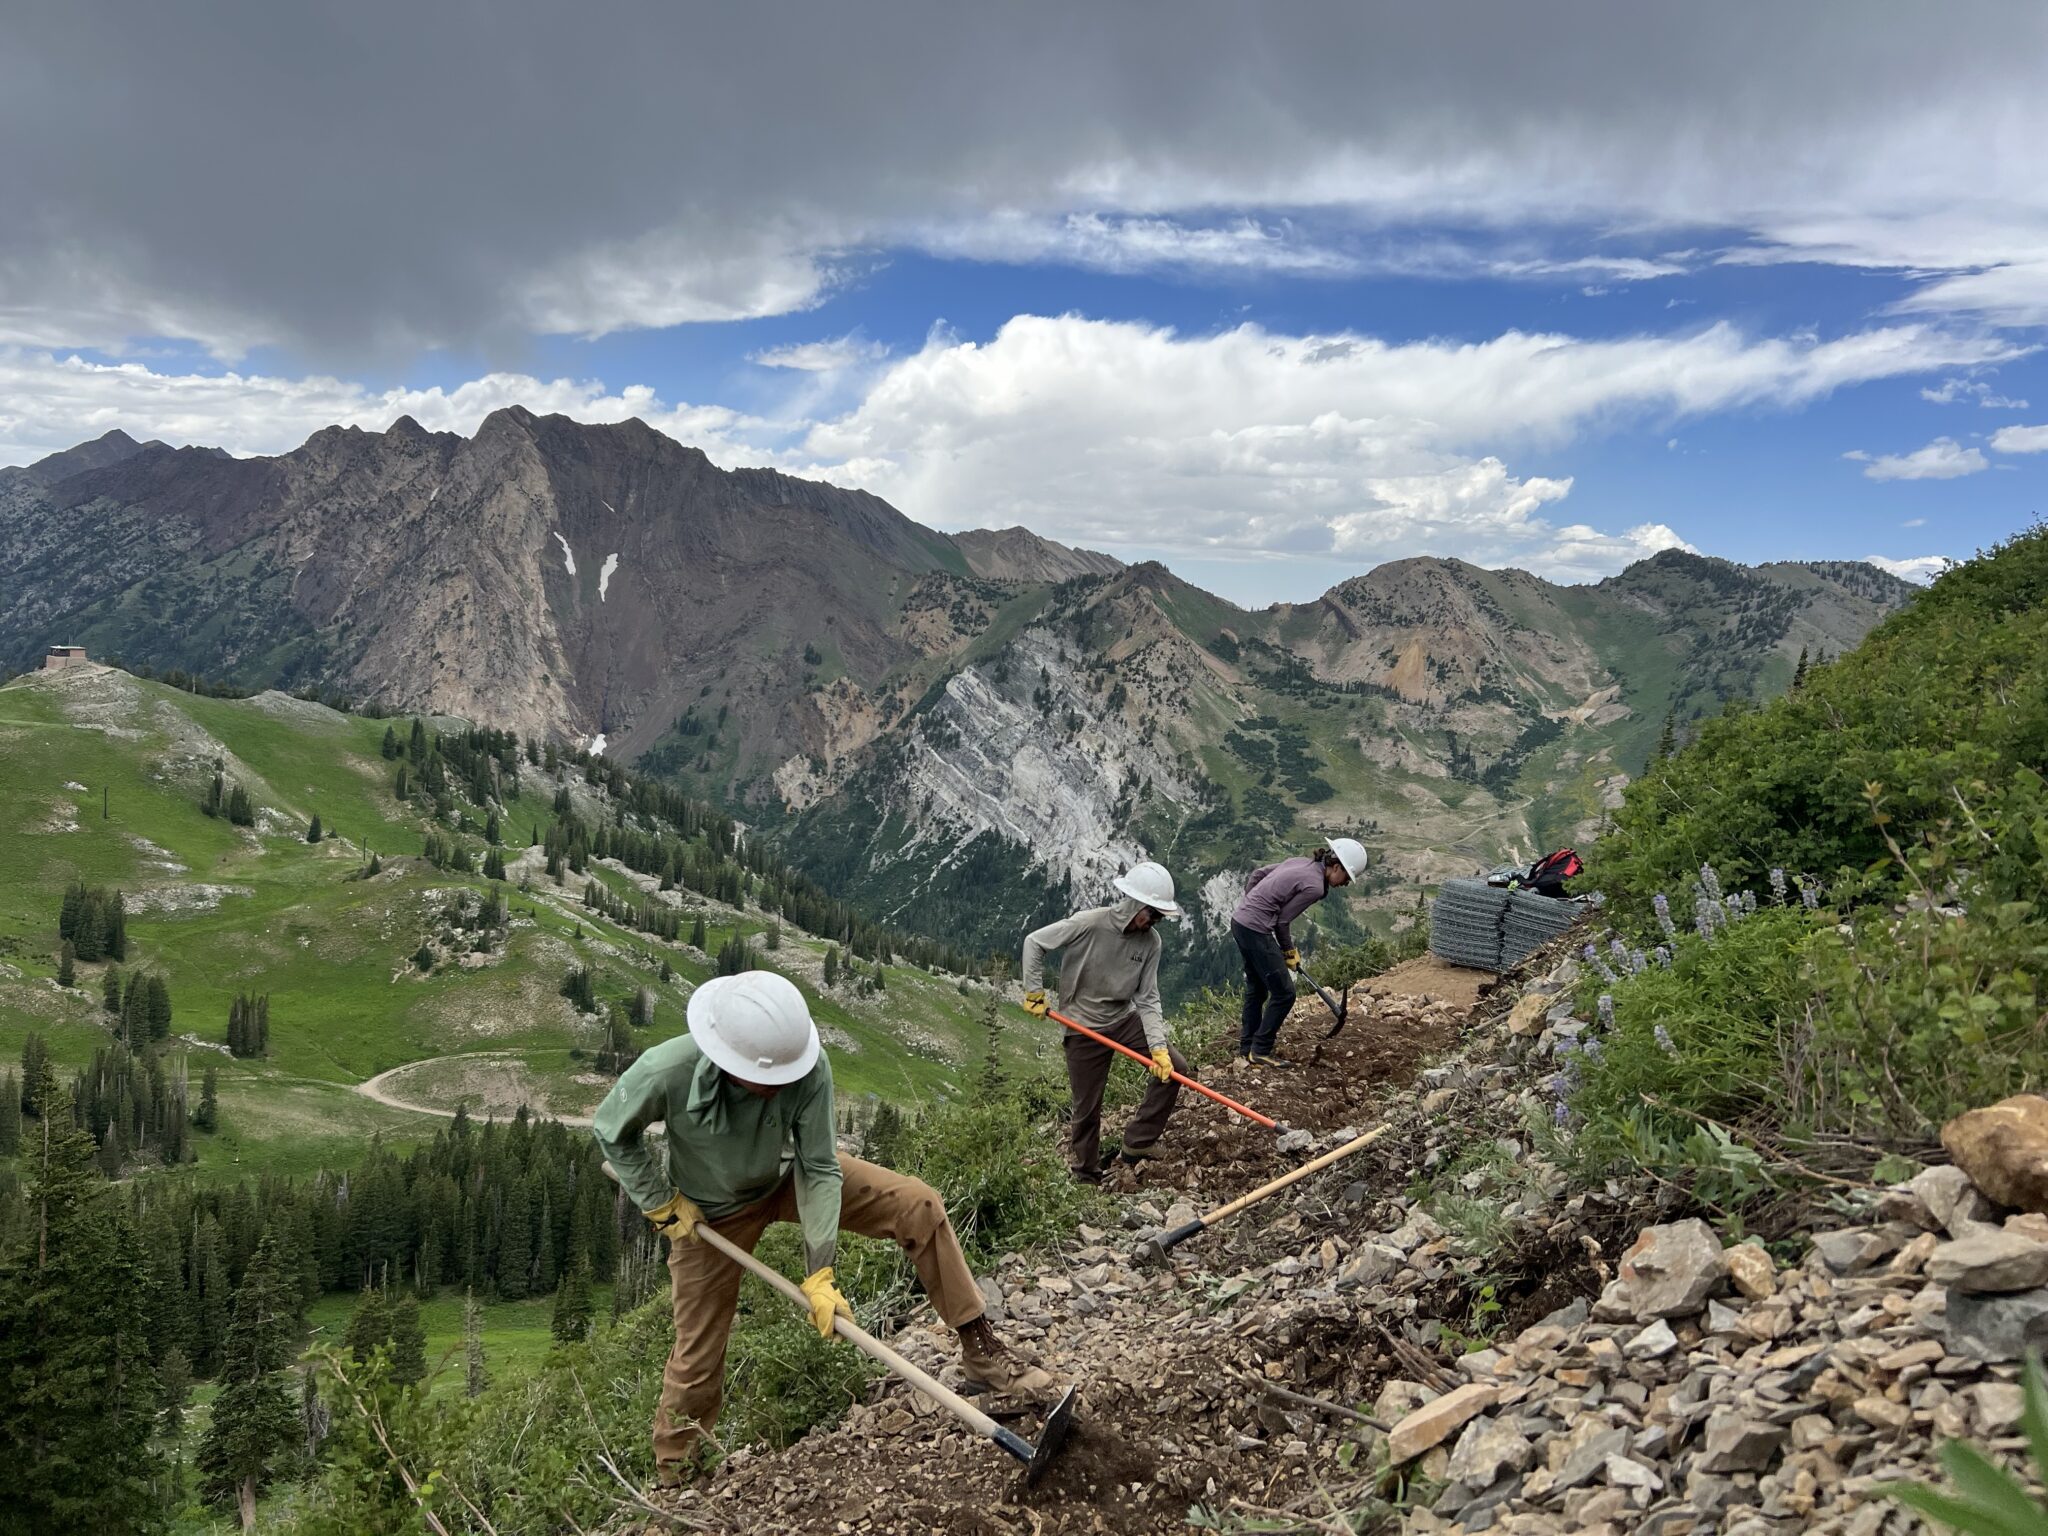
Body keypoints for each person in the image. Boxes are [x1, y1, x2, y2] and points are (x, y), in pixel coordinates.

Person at [592, 969, 1057, 1486]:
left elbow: (818, 1167)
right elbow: (612, 1132)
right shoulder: (666, 1069)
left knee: (917, 1205)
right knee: (698, 1351)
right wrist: (661, 1202)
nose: (779, 1086)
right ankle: (680, 1477)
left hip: (787, 1174)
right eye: (764, 1079)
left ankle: (982, 1351)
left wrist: (821, 1271)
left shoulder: (805, 1066)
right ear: (725, 1059)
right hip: (708, 1213)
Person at [1020, 861, 1187, 1184]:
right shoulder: (1089, 924)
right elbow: (1034, 942)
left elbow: (1148, 999)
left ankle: (1137, 1143)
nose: (1154, 922)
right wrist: (1033, 992)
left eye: (1159, 917)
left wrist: (1158, 1049)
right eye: (1151, 913)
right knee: (1087, 1107)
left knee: (1175, 1069)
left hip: (1123, 1020)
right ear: (1135, 904)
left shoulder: (1151, 943)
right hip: (1082, 1026)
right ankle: (1086, 1173)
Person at [1231, 838, 1369, 1067]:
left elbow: (1257, 874)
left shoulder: (1299, 862)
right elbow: (1282, 922)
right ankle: (1260, 1050)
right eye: (1346, 877)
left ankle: (1247, 1049)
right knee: (1285, 994)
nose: (1345, 884)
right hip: (1255, 930)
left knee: (1257, 988)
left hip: (1240, 922)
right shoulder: (1314, 887)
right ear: (1336, 867)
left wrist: (1251, 904)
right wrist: (1289, 952)